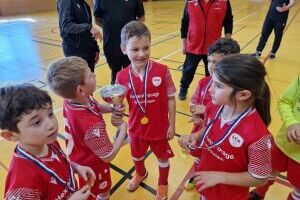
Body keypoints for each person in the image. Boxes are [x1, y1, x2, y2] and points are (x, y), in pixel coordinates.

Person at [178, 54, 273, 200]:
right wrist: (195, 136)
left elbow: (260, 177)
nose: (210, 89)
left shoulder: (258, 137)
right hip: (206, 185)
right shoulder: (214, 106)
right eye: (212, 82)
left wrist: (220, 177)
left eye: (218, 86)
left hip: (229, 195)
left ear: (243, 95)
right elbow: (210, 127)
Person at [47, 56, 128, 200]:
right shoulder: (90, 125)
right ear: (80, 89)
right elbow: (108, 156)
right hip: (91, 164)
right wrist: (123, 130)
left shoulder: (75, 99)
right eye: (90, 74)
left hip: (79, 153)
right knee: (101, 191)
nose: (95, 75)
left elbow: (95, 106)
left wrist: (112, 108)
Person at [0, 84, 95, 200]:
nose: (51, 124)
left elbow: (59, 163)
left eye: (50, 114)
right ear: (10, 135)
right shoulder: (22, 185)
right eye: (37, 122)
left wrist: (75, 167)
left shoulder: (48, 141)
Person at [116, 21, 176, 200]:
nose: (142, 54)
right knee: (137, 156)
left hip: (160, 128)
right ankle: (140, 173)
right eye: (135, 49)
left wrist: (172, 125)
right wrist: (117, 110)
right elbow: (120, 104)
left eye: (146, 48)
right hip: (136, 128)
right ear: (123, 49)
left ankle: (162, 183)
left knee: (163, 159)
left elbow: (171, 99)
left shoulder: (162, 71)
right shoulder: (121, 76)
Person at [184, 38, 240, 191]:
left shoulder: (234, 91)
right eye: (210, 61)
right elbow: (193, 102)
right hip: (200, 129)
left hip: (219, 135)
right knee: (197, 155)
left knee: (213, 158)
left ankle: (211, 178)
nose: (212, 66)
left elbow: (229, 115)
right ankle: (197, 175)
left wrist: (205, 109)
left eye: (218, 62)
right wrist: (195, 111)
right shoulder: (203, 82)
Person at [249, 74, 300, 200]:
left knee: (298, 190)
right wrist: (291, 123)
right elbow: (285, 101)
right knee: (269, 172)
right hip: (283, 144)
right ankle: (258, 194)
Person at [178, 0, 233, 100]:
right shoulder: (190, 1)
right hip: (193, 46)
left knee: (212, 72)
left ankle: (212, 89)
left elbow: (228, 21)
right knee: (188, 70)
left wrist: (227, 43)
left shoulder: (224, 1)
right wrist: (183, 44)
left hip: (214, 48)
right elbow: (185, 23)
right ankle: (184, 87)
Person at [94, 0, 145, 84]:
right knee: (115, 74)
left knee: (131, 74)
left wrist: (132, 30)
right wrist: (110, 27)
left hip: (130, 44)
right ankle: (116, 90)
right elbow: (97, 19)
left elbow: (141, 17)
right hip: (111, 43)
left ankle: (133, 92)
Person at [57, 0, 101, 72]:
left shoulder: (84, 4)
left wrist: (96, 49)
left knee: (89, 78)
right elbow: (66, 25)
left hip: (88, 51)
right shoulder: (65, 1)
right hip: (74, 51)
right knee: (79, 80)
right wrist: (88, 27)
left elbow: (89, 31)